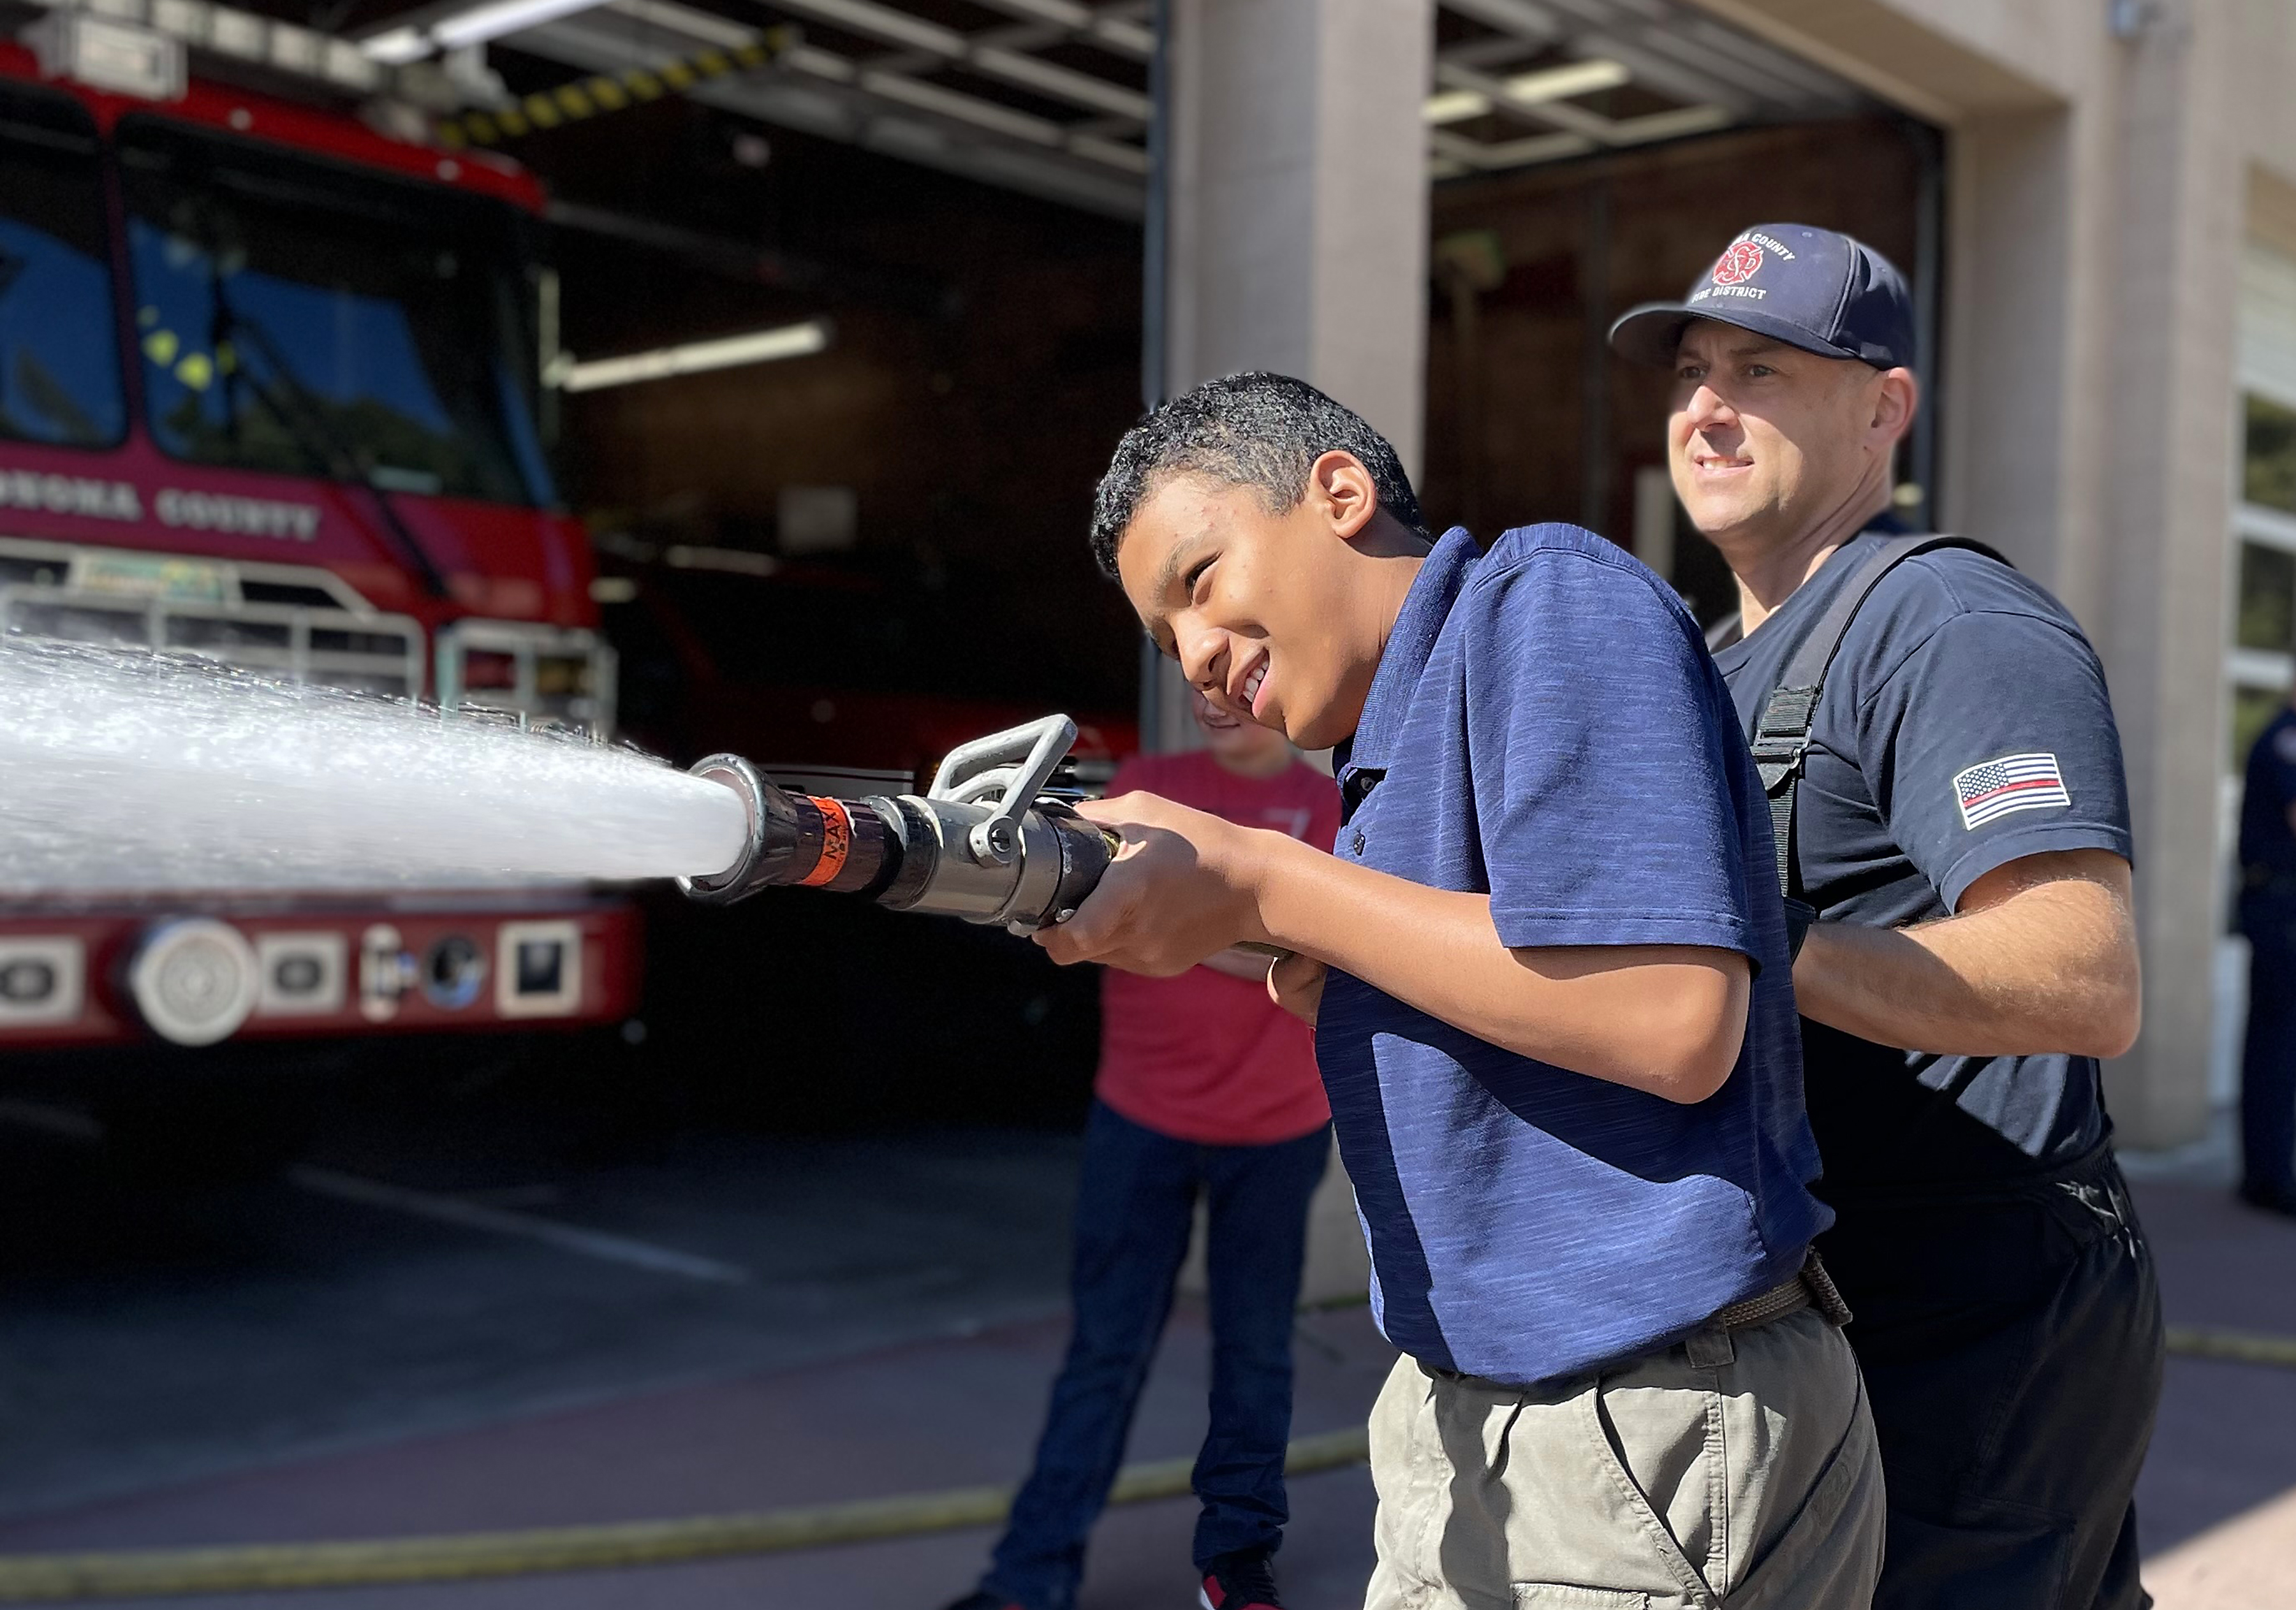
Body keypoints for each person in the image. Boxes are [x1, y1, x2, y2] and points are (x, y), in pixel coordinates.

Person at [1038, 371, 1883, 1609]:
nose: (1198, 660)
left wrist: (1270, 881)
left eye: (1201, 581)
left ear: (1338, 492)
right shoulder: (1379, 761)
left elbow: (1671, 1014)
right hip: (1470, 1407)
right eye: (1166, 643)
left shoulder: (1543, 599)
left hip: (1639, 1405)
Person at [1608, 223, 2164, 1609]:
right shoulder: (1713, 660)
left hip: (1975, 1331)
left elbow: (2083, 974)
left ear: (1884, 408)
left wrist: (1751, 935)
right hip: (1817, 1313)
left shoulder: (1947, 623)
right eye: (1689, 370)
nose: (1707, 406)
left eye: (1761, 369)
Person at [946, 686, 1339, 1610]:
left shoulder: (1325, 810)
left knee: (1255, 1356)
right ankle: (1029, 1578)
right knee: (1104, 1354)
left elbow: (1322, 954)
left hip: (1276, 1127)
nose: (1214, 695)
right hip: (1141, 1118)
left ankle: (1237, 1566)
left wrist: (1178, 924)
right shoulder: (1142, 792)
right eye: (1193, 677)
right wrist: (1244, 923)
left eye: (1235, 676)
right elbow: (1080, 917)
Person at [2238, 694, 2296, 1216]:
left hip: (2279, 906)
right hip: (2281, 908)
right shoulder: (2287, 738)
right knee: (2277, 1050)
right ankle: (2269, 1177)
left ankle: (2270, 1172)